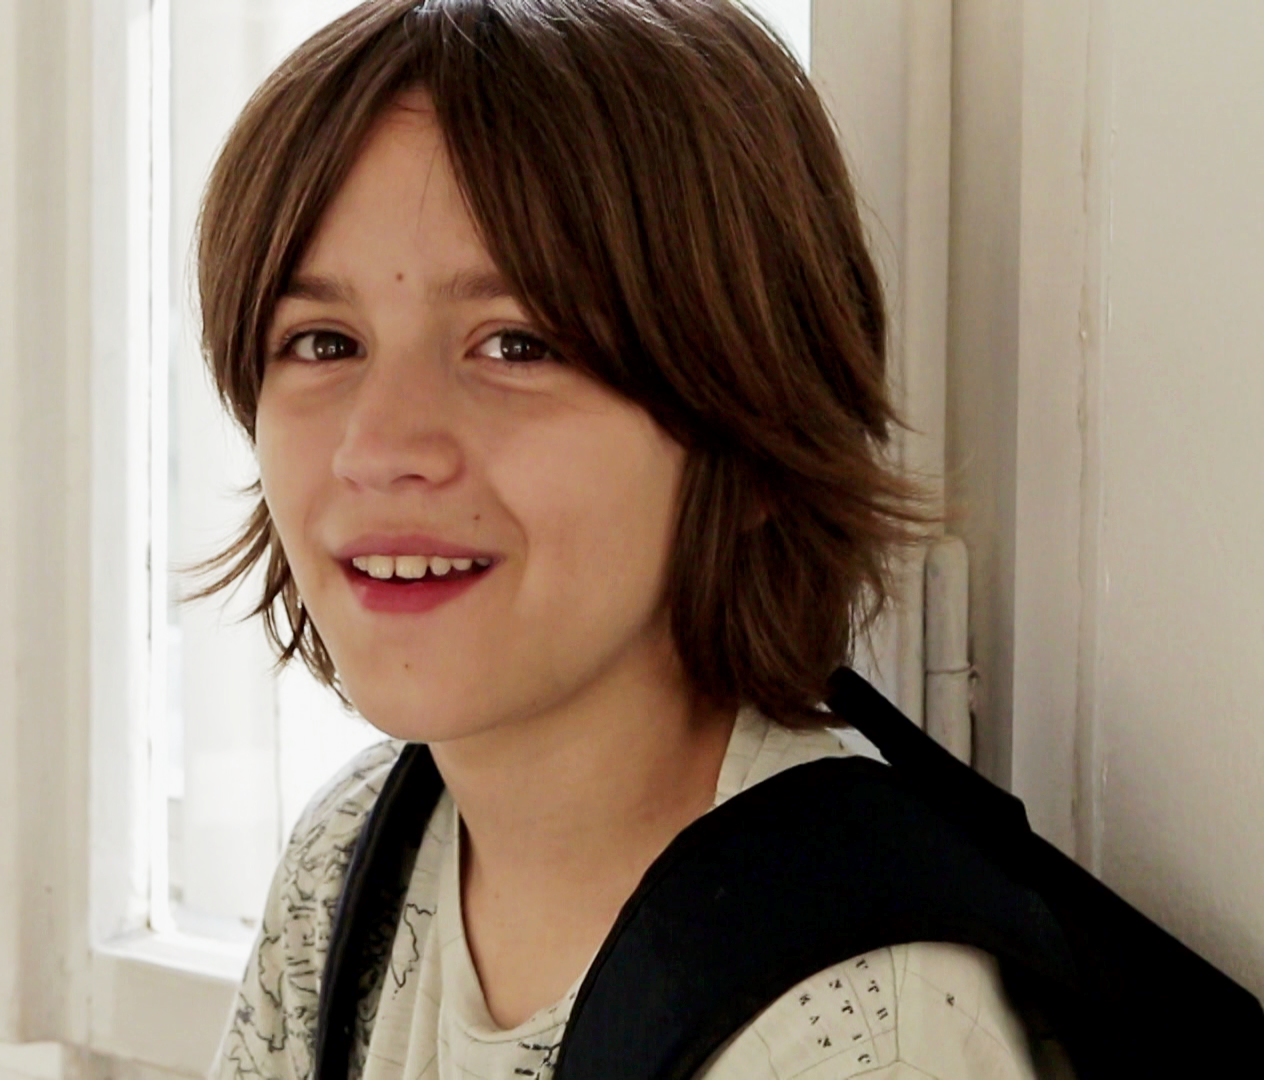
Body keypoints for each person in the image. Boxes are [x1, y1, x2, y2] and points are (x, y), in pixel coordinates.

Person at [193, 1, 1039, 1077]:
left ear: (749, 418)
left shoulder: (855, 1028)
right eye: (324, 341)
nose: (380, 445)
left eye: (516, 342)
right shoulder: (354, 858)